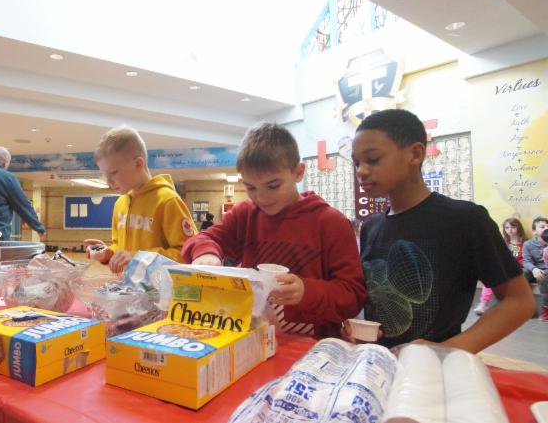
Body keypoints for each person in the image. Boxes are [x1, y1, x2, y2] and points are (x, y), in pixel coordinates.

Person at [346, 109, 534, 352]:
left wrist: (447, 350)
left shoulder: (464, 219)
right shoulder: (371, 228)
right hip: (378, 366)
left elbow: (519, 300)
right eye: (357, 162)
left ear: (415, 154)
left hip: (437, 373)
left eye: (372, 159)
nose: (361, 170)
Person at [181, 122, 367, 338]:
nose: (262, 197)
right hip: (251, 340)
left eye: (273, 186)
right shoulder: (245, 214)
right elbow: (203, 238)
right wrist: (206, 252)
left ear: (298, 172)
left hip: (313, 347)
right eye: (251, 188)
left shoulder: (331, 223)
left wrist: (306, 292)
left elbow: (353, 295)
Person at [84, 125, 197, 274]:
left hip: (160, 294)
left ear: (138, 164)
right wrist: (108, 253)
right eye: (105, 175)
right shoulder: (120, 204)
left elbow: (188, 254)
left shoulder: (168, 201)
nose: (108, 182)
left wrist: (140, 257)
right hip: (128, 291)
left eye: (113, 173)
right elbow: (122, 249)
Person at [474, 217, 526, 315]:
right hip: (503, 268)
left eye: (513, 227)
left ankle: (510, 305)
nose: (510, 230)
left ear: (519, 228)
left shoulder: (525, 243)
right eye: (507, 228)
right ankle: (483, 303)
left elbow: (525, 259)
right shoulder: (503, 243)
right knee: (491, 275)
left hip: (517, 270)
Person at [523, 216, 548, 321]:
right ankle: (526, 308)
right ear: (534, 232)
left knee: (544, 275)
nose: (546, 228)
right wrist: (534, 269)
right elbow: (526, 261)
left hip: (545, 271)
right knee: (520, 274)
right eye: (542, 227)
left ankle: (545, 309)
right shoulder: (528, 244)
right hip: (533, 270)